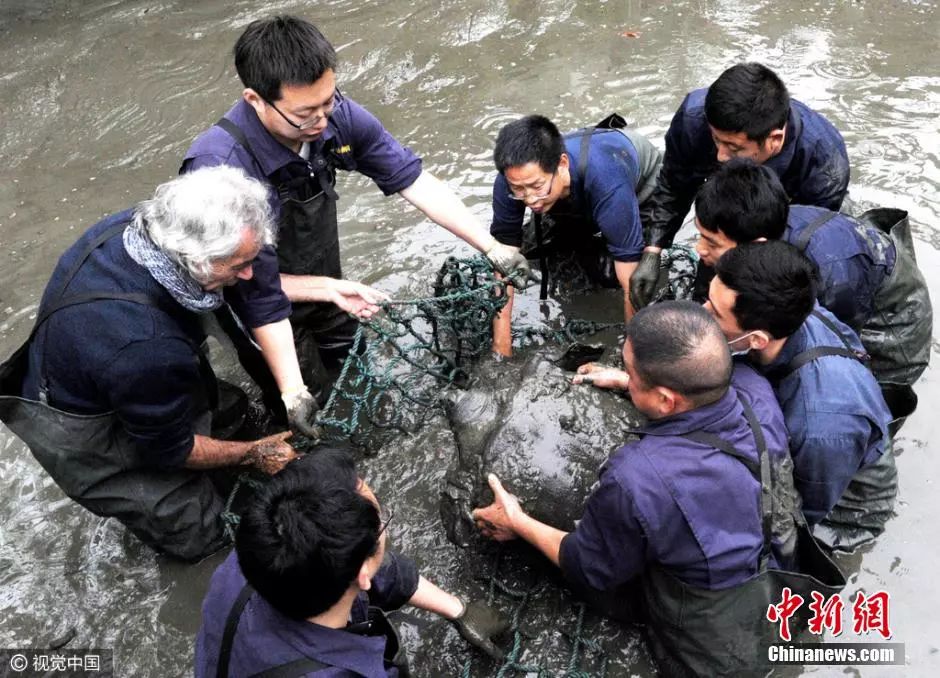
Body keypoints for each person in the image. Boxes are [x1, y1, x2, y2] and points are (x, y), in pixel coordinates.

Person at [182, 15, 536, 433]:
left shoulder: (333, 117)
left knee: (356, 368)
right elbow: (246, 286)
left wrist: (491, 246)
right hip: (255, 302)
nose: (321, 120)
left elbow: (413, 179)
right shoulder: (219, 168)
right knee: (312, 405)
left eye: (328, 101)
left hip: (325, 284)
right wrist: (293, 391)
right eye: (304, 113)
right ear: (256, 100)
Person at [474, 301, 809, 675]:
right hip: (783, 581)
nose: (627, 378)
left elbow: (590, 566)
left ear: (667, 399)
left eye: (632, 374)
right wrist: (630, 384)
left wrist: (516, 521)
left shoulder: (637, 476)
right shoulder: (756, 387)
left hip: (718, 643)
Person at [0, 167, 300, 561]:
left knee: (228, 410)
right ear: (194, 259)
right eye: (237, 266)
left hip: (109, 365)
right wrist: (252, 453)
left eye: (252, 259)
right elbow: (170, 451)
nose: (248, 274)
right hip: (83, 430)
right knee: (200, 534)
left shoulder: (138, 225)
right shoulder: (146, 347)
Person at [195, 447, 508, 677]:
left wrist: (458, 610)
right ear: (361, 573)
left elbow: (365, 561)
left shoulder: (255, 554)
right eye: (382, 523)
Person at [691, 159, 932, 424]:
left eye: (712, 243)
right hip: (855, 262)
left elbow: (835, 348)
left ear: (755, 245)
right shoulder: (753, 223)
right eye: (700, 235)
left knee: (843, 401)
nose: (699, 249)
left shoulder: (825, 277)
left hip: (891, 318)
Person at [705, 242, 896, 551]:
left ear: (756, 339)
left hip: (846, 503)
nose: (702, 314)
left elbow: (801, 509)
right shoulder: (790, 307)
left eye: (714, 313)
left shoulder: (822, 424)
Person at [630, 62, 850, 309]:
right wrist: (653, 249)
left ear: (774, 141)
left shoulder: (822, 163)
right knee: (706, 295)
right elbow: (674, 184)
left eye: (734, 148)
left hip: (793, 206)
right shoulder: (695, 118)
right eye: (715, 140)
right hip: (729, 199)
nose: (721, 156)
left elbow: (796, 246)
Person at [488, 114, 662, 355]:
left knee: (609, 275)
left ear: (561, 164)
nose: (529, 200)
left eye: (537, 186)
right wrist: (501, 348)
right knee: (534, 252)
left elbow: (630, 280)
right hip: (571, 191)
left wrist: (630, 354)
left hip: (638, 184)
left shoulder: (609, 182)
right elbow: (504, 261)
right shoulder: (510, 182)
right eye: (518, 190)